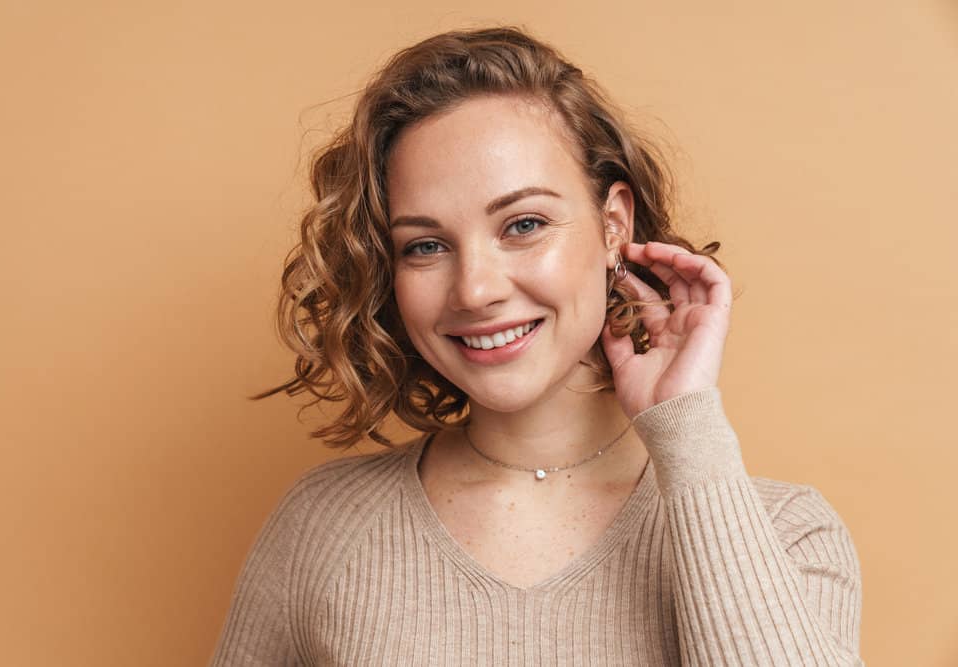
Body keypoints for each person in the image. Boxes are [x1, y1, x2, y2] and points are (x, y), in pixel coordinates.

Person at [209, 26, 863, 666]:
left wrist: (688, 430)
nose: (476, 289)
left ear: (613, 226)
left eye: (523, 224)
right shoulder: (324, 527)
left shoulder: (788, 533)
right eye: (426, 244)